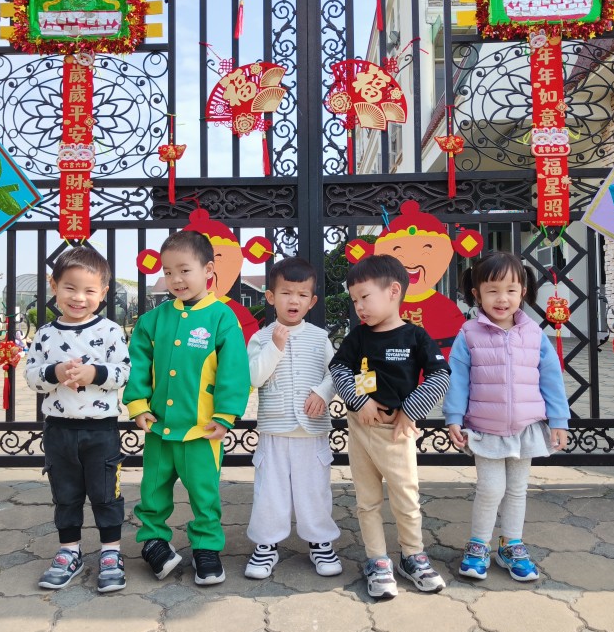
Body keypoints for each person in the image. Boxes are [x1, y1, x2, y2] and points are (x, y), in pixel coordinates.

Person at [124, 230, 250, 586]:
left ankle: (206, 548)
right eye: (168, 272)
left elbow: (234, 371)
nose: (175, 279)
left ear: (208, 270)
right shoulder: (153, 320)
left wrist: (225, 415)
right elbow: (138, 364)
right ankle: (153, 542)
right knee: (152, 491)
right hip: (159, 429)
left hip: (202, 430)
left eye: (184, 270)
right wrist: (138, 404)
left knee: (204, 493)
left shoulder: (222, 317)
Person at [442, 251, 570, 582]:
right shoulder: (469, 333)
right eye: (493, 291)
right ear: (477, 294)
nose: (502, 299)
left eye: (511, 290)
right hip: (485, 429)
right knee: (490, 489)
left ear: (522, 292)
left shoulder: (534, 334)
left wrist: (559, 421)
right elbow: (458, 379)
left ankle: (511, 545)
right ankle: (478, 545)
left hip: (526, 428)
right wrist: (454, 417)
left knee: (516, 490)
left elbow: (551, 379)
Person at [329, 254, 451, 599]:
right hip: (360, 428)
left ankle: (412, 556)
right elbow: (338, 369)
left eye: (364, 297)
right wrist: (359, 400)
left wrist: (410, 412)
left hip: (397, 432)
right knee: (367, 500)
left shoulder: (415, 336)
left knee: (406, 498)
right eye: (354, 300)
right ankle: (377, 560)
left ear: (394, 291)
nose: (358, 307)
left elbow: (441, 375)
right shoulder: (358, 337)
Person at [24, 246, 131, 593]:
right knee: (65, 493)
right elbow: (31, 376)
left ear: (103, 293)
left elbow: (124, 372)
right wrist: (55, 372)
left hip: (101, 430)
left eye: (89, 290)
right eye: (70, 288)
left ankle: (111, 552)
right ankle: (69, 551)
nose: (79, 298)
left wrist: (94, 373)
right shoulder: (45, 334)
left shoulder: (111, 331)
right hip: (59, 429)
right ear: (54, 286)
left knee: (106, 493)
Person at [244, 257, 342, 580]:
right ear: (271, 297)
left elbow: (336, 373)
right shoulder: (261, 338)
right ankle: (266, 544)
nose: (293, 301)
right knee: (269, 491)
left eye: (302, 295)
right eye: (286, 293)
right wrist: (274, 347)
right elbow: (254, 377)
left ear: (312, 301)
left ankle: (320, 541)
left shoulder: (318, 336)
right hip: (274, 431)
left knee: (314, 489)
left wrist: (322, 393)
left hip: (312, 431)